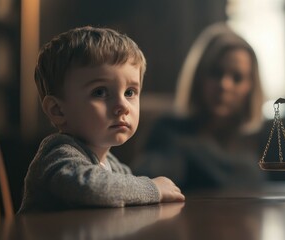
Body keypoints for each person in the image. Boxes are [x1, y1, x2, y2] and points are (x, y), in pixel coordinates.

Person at [18, 26, 185, 214]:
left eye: (129, 92)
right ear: (58, 110)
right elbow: (91, 188)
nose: (122, 105)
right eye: (100, 92)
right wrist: (152, 189)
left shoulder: (114, 166)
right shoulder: (59, 155)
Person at [131, 23, 267, 192]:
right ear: (198, 77)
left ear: (250, 87)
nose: (224, 85)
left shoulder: (259, 136)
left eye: (237, 78)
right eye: (216, 73)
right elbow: (144, 182)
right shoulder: (168, 130)